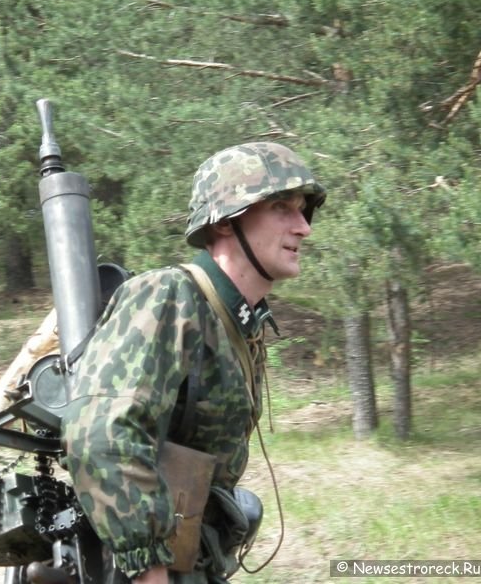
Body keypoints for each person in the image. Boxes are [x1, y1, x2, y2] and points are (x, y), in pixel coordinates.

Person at [61, 142, 326, 584]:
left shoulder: (238, 321)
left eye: (303, 210)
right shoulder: (170, 296)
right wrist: (150, 571)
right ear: (224, 221)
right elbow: (102, 433)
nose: (303, 228)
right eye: (281, 207)